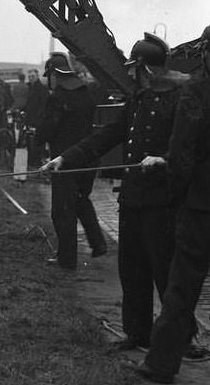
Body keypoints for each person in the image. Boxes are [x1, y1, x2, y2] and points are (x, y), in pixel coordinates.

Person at [42, 34, 185, 351]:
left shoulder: (181, 99)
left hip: (162, 200)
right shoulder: (139, 99)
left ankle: (180, 338)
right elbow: (107, 136)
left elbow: (193, 146)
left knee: (164, 269)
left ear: (145, 69)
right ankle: (138, 334)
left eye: (134, 69)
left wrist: (165, 159)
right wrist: (65, 159)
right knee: (132, 268)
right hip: (133, 197)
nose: (130, 74)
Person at [134, 25, 210, 383]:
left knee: (181, 287)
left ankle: (161, 364)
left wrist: (177, 199)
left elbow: (182, 154)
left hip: (200, 205)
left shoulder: (196, 91)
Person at [36, 53, 108, 270]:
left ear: (54, 75)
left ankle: (67, 260)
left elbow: (49, 127)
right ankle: (98, 243)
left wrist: (37, 137)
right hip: (87, 157)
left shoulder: (57, 97)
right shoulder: (86, 92)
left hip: (64, 160)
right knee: (81, 200)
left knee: (62, 210)